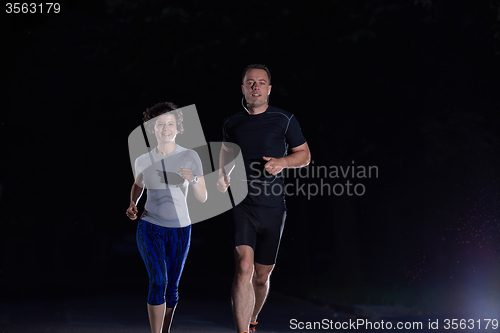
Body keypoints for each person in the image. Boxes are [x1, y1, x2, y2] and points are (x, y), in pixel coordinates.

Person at [217, 64, 311, 333]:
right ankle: (242, 331)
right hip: (241, 203)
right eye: (250, 82)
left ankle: (253, 319)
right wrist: (224, 175)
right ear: (243, 88)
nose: (255, 86)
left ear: (269, 89)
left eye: (261, 82)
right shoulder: (231, 123)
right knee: (244, 266)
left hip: (272, 205)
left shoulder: (285, 119)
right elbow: (226, 154)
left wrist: (282, 162)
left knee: (261, 276)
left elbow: (304, 155)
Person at [126, 102, 207, 333]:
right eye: (160, 124)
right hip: (149, 226)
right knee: (158, 281)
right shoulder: (142, 159)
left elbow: (202, 197)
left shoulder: (190, 156)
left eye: (170, 124)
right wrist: (133, 204)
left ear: (178, 128)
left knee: (171, 288)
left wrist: (192, 179)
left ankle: (165, 330)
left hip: (180, 229)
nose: (166, 128)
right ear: (152, 128)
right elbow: (137, 184)